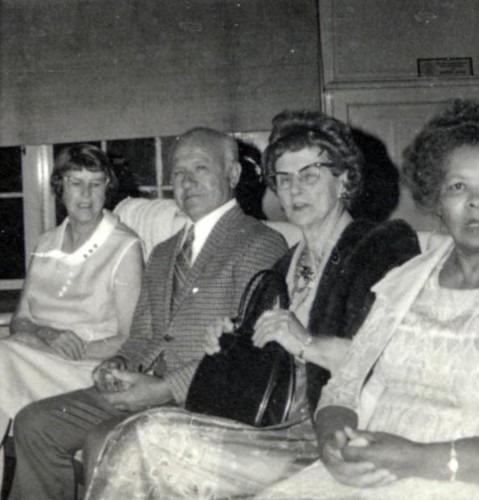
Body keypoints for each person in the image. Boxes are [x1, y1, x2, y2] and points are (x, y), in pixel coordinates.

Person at [83, 110, 420, 500]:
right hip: (271, 426)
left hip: (332, 433)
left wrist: (305, 342)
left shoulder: (381, 247)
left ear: (343, 178)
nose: (295, 191)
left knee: (148, 440)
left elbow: (398, 360)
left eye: (309, 175)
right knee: (137, 436)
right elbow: (261, 372)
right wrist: (227, 347)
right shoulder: (285, 264)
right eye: (284, 178)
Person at [10, 127, 288, 500]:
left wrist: (162, 388)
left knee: (103, 443)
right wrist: (118, 362)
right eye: (177, 173)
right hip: (143, 384)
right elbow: (141, 335)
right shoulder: (163, 251)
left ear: (233, 174)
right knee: (35, 423)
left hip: (203, 395)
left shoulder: (260, 243)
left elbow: (247, 354)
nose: (186, 182)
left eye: (200, 168)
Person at [254, 99, 479, 500]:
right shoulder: (408, 279)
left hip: (457, 478)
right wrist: (331, 446)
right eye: (458, 187)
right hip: (368, 467)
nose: (476, 202)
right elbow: (343, 387)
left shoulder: (379, 248)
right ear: (437, 200)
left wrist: (417, 458)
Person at [0, 144, 143, 438]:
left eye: (96, 183)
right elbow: (20, 321)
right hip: (35, 357)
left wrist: (77, 349)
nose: (86, 195)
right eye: (76, 183)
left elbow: (132, 338)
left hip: (84, 368)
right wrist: (48, 336)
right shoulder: (46, 243)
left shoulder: (124, 247)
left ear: (107, 188)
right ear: (60, 187)